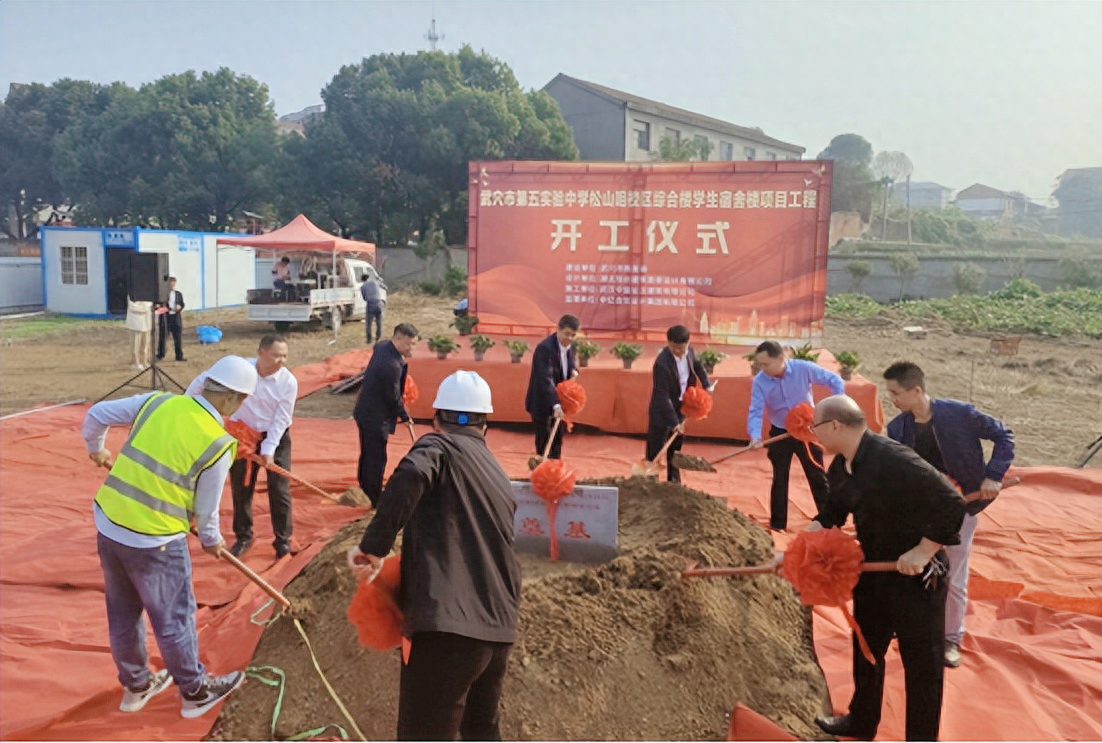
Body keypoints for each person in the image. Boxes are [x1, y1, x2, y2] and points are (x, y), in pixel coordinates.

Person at [346, 370, 521, 741]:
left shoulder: (439, 446)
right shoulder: (498, 476)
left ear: (437, 420)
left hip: (448, 630)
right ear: (486, 426)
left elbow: (411, 474)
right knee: (481, 732)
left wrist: (373, 547)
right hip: (498, 631)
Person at [83, 355, 259, 718]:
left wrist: (96, 448)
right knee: (174, 619)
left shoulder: (158, 402)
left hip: (110, 524)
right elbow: (207, 510)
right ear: (231, 399)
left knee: (123, 613)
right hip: (156, 541)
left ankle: (137, 685)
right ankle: (194, 691)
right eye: (242, 401)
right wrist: (211, 539)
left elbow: (97, 414)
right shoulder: (217, 444)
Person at [809, 395, 965, 742]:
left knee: (922, 665)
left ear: (834, 425)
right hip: (874, 573)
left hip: (916, 578)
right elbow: (831, 515)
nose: (812, 433)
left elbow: (951, 502)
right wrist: (796, 552)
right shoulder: (841, 468)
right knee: (867, 651)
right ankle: (862, 722)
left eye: (814, 426)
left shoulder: (894, 459)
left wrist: (924, 550)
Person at [883, 361, 1015, 669]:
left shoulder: (959, 414)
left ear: (917, 391)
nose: (892, 400)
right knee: (912, 568)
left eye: (896, 393)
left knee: (953, 574)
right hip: (919, 510)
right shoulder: (898, 428)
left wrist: (993, 475)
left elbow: (1004, 436)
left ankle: (951, 637)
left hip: (960, 507)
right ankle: (910, 625)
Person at [185, 335, 298, 558]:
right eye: (276, 355)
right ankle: (244, 536)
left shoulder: (288, 382)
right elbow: (203, 380)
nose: (281, 361)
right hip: (242, 435)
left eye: (285, 356)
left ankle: (283, 540)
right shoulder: (240, 369)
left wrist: (268, 449)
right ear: (261, 352)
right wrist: (187, 403)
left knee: (279, 488)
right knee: (241, 487)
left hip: (275, 435)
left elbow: (282, 418)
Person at [746, 340, 845, 531]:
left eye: (766, 364)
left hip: (807, 431)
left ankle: (829, 521)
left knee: (817, 475)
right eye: (760, 364)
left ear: (781, 358)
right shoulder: (760, 381)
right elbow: (755, 410)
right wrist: (755, 436)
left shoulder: (803, 369)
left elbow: (835, 381)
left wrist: (835, 407)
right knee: (779, 477)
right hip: (780, 431)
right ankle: (778, 524)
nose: (763, 369)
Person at [353, 323, 418, 507]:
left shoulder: (383, 347)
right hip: (375, 416)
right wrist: (405, 416)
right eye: (409, 344)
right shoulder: (391, 365)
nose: (412, 349)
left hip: (365, 410)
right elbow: (393, 396)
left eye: (414, 344)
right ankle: (375, 496)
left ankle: (365, 486)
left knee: (367, 452)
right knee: (376, 457)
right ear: (397, 338)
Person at [645, 325, 714, 482]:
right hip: (662, 410)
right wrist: (674, 422)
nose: (677, 351)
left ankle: (674, 482)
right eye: (674, 347)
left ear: (688, 343)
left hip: (682, 405)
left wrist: (706, 383)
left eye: (681, 348)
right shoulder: (662, 364)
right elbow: (662, 396)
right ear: (668, 343)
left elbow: (697, 365)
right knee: (655, 449)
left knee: (675, 449)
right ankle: (650, 482)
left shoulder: (690, 351)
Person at [524, 314, 579, 460]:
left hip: (559, 402)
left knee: (557, 442)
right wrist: (555, 404)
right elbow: (545, 379)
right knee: (544, 445)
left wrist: (574, 371)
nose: (569, 338)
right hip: (543, 402)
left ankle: (555, 468)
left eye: (573, 335)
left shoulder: (570, 346)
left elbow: (569, 365)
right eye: (567, 334)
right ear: (558, 329)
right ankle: (543, 470)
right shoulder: (545, 349)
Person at [156, 277, 185, 362]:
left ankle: (179, 355)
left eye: (173, 284)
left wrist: (179, 307)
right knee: (163, 337)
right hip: (166, 317)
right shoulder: (162, 295)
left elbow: (182, 304)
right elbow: (158, 306)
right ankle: (160, 354)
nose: (172, 285)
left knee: (178, 337)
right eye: (170, 284)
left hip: (175, 317)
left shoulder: (178, 294)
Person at [125, 295, 153, 370]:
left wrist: (145, 306)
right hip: (136, 323)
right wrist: (145, 308)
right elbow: (133, 307)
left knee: (145, 344)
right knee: (135, 345)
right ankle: (136, 363)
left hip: (146, 322)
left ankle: (145, 362)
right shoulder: (132, 294)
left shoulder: (147, 294)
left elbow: (150, 303)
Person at [360, 274, 388, 345]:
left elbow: (364, 297)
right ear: (368, 278)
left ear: (362, 280)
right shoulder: (375, 282)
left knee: (369, 323)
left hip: (370, 304)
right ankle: (378, 338)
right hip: (378, 303)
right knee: (378, 322)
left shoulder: (363, 287)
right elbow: (385, 287)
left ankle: (369, 339)